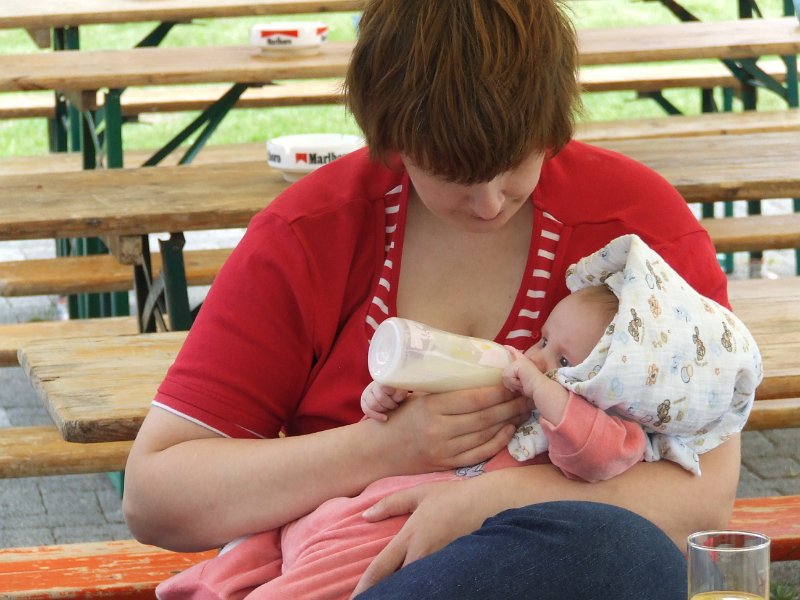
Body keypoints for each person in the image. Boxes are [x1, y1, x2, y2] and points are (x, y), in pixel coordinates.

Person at [123, 2, 744, 598]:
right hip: (350, 577)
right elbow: (155, 498)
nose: (490, 203)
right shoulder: (311, 233)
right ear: (391, 135)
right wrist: (385, 448)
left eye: (516, 163)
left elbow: (705, 498)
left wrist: (494, 503)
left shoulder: (639, 235)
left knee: (626, 554)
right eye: (453, 174)